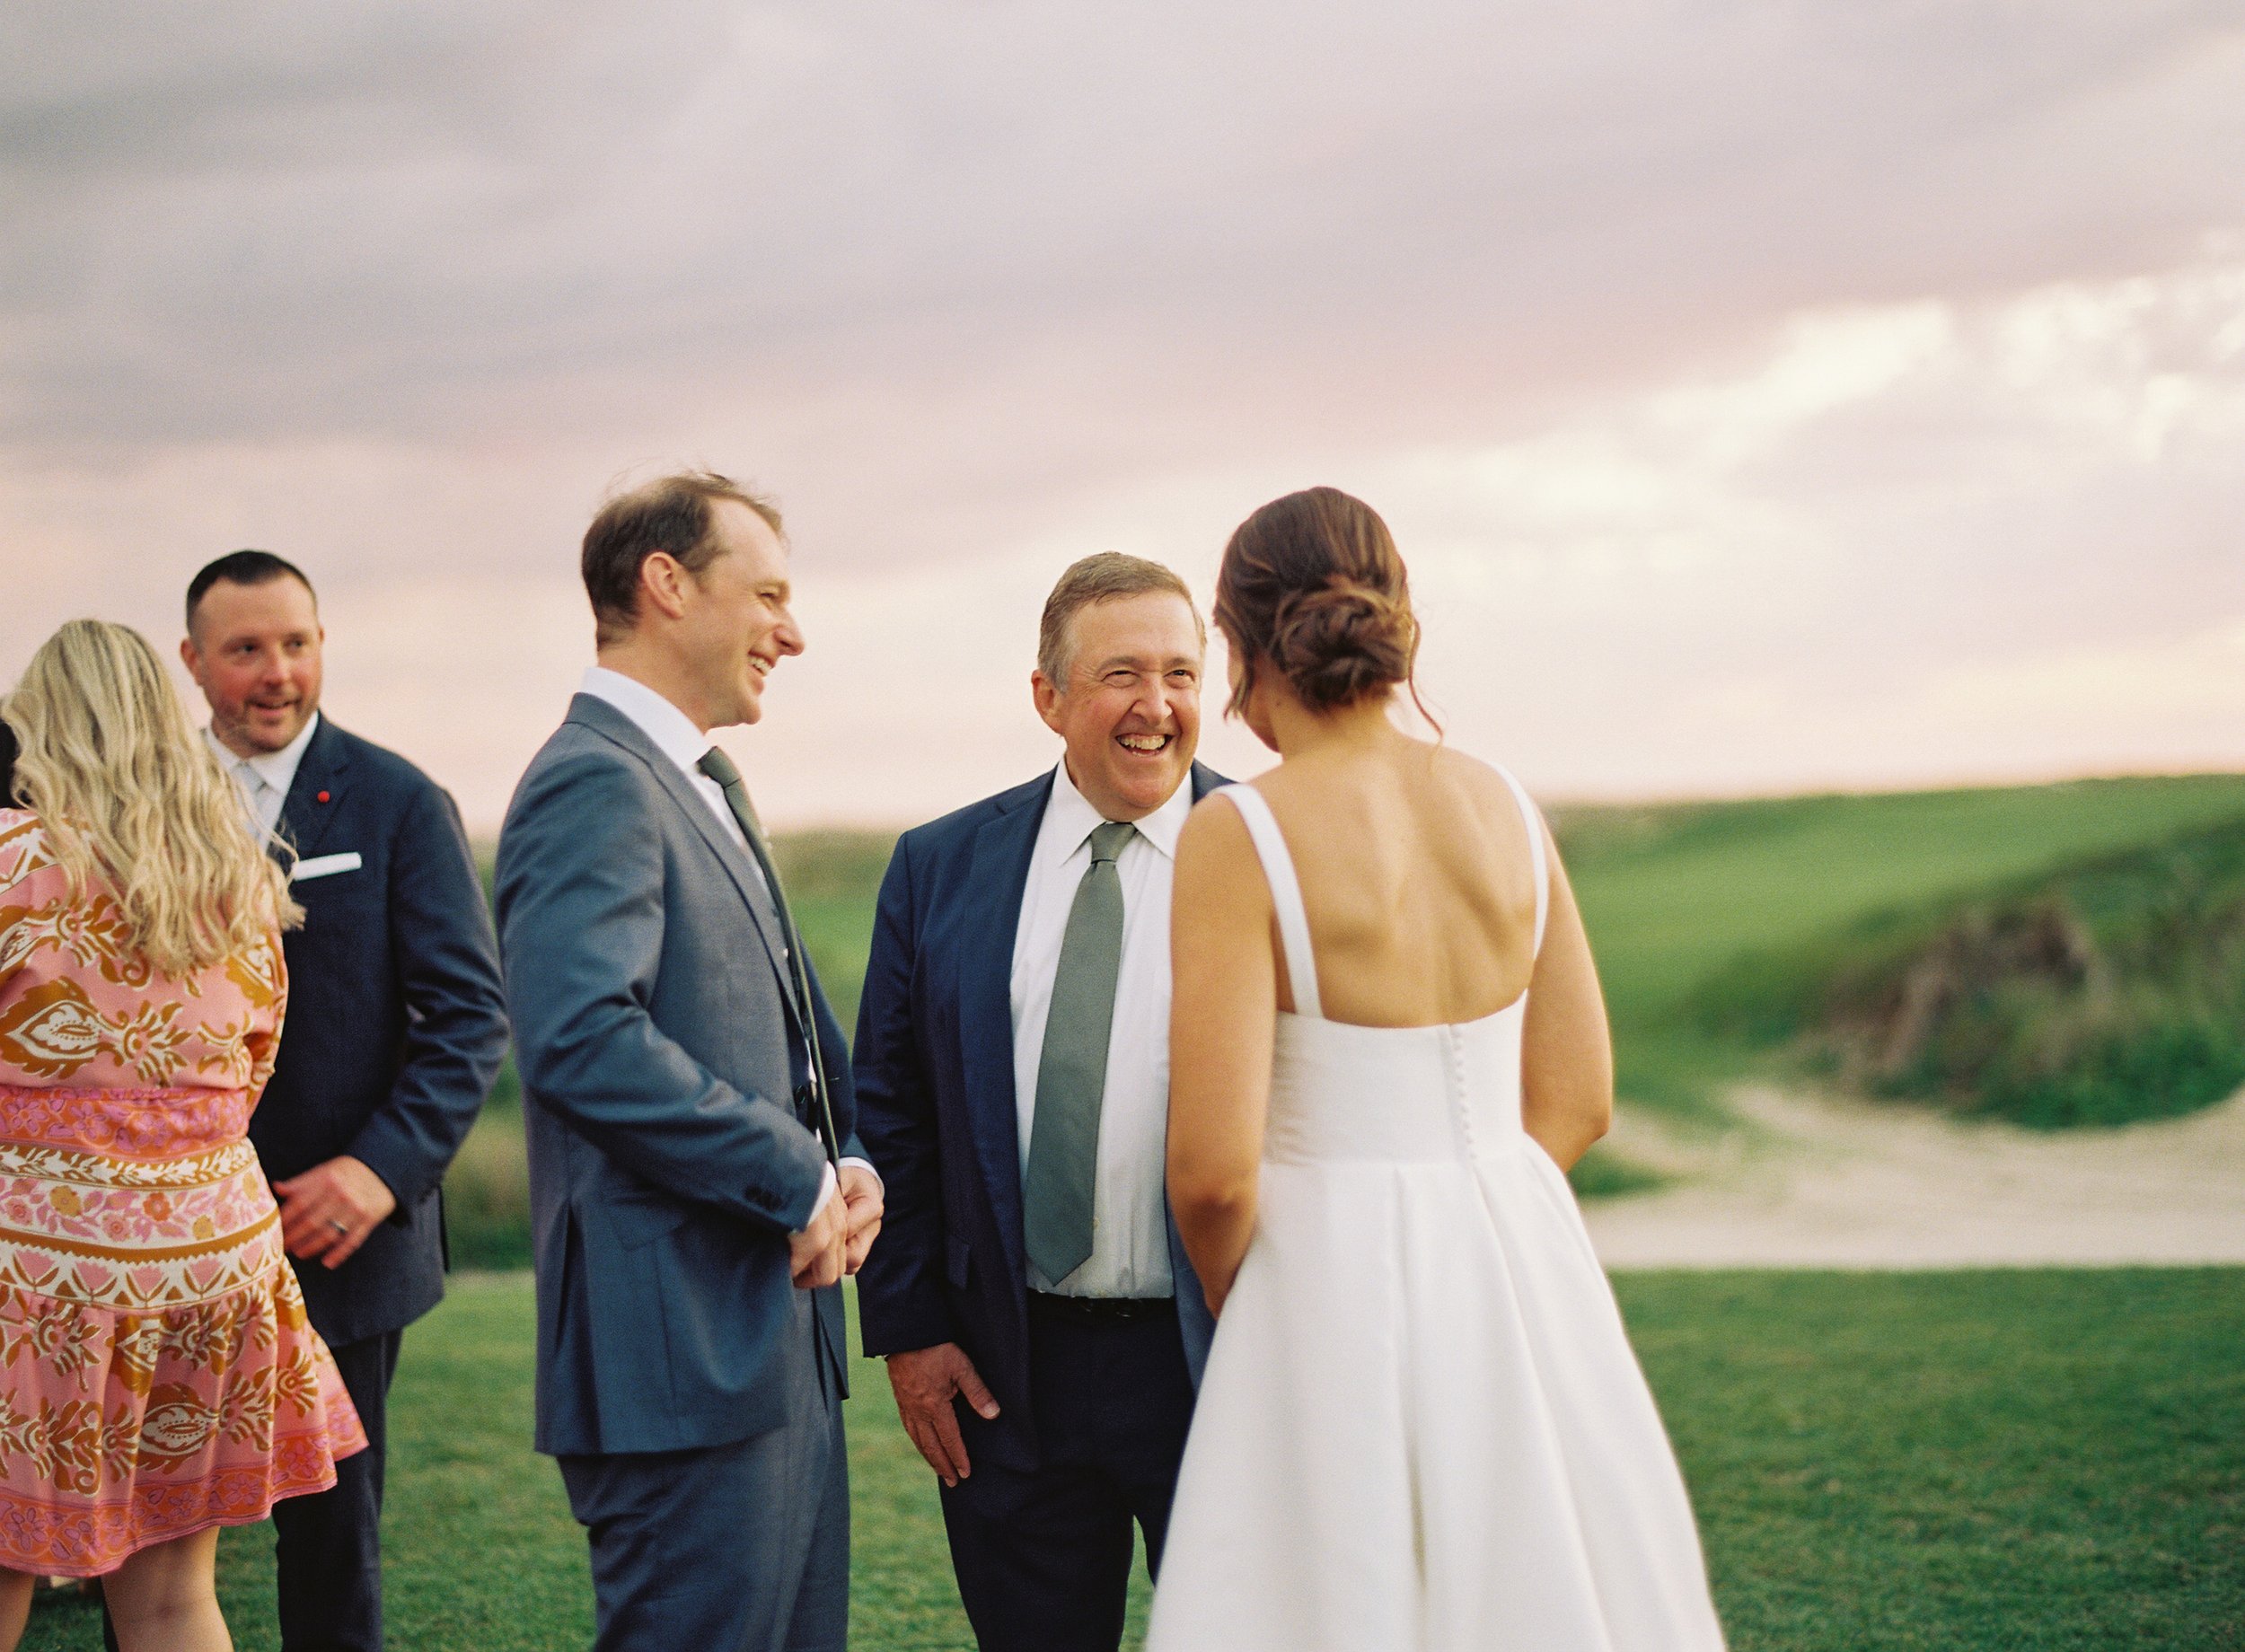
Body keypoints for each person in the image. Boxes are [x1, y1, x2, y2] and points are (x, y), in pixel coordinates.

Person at [1147, 488, 1727, 1650]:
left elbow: (1212, 1172)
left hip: (1324, 1280)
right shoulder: (1504, 802)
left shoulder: (1241, 832)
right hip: (1521, 1260)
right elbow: (1578, 1098)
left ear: (1245, 649)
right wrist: (1469, 1205)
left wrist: (1249, 1294)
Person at [496, 470, 882, 1652]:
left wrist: (849, 1158)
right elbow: (582, 1039)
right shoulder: (593, 782)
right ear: (665, 585)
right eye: (766, 593)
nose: (793, 631)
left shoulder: (697, 780)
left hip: (769, 1342)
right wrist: (792, 1174)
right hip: (679, 1360)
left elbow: (778, 1026)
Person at [854, 552, 1225, 1652]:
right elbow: (892, 1104)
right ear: (1048, 698)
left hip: (1213, 1358)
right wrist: (912, 1330)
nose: (1156, 707)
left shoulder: (1267, 852)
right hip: (1007, 1369)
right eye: (1121, 674)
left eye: (1181, 673)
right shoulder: (939, 866)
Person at [0, 620, 366, 1652]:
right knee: (172, 1595)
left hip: (41, 1270)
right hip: (213, 1262)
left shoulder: (9, 864)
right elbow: (246, 1073)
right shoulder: (237, 879)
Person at [175, 550, 508, 1652]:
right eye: (246, 649)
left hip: (337, 1239)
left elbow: (468, 1018)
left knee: (330, 1546)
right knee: (153, 1545)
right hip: (165, 1240)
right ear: (193, 661)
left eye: (298, 643)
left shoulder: (400, 801)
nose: (278, 672)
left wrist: (378, 1170)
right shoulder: (149, 805)